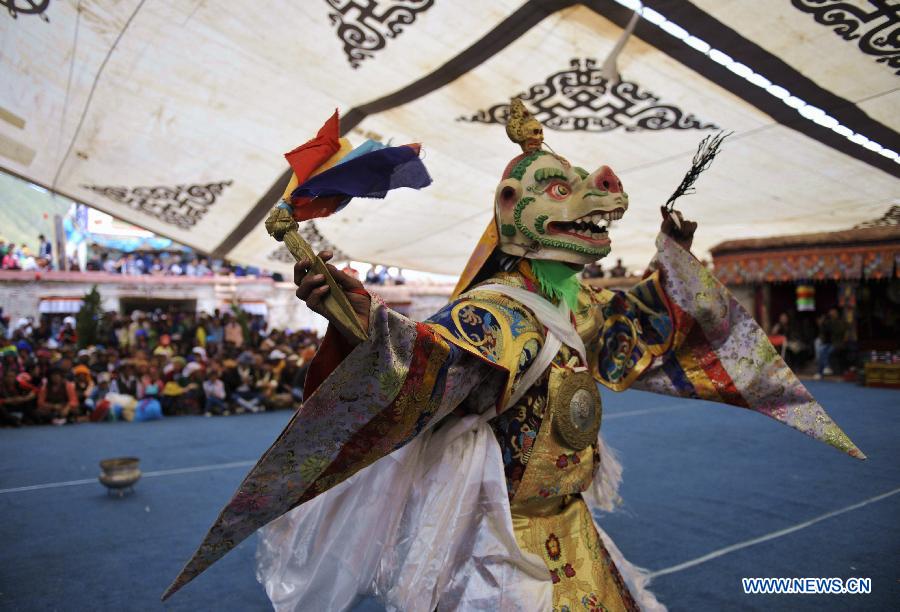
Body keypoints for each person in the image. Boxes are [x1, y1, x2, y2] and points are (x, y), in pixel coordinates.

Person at [167, 102, 863, 609]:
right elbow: (422, 369)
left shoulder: (578, 305)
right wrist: (355, 316)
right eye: (562, 192)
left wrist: (674, 263)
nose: (594, 202)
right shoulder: (489, 313)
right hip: (504, 540)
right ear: (511, 209)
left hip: (573, 526)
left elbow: (637, 335)